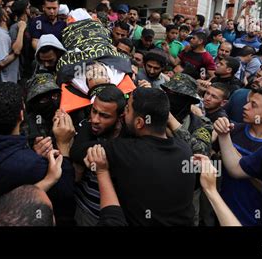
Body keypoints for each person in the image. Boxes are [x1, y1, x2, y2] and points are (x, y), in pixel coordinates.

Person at [70, 87, 196, 226]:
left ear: (139, 123)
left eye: (128, 109)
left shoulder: (125, 150)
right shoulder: (185, 149)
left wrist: (90, 123)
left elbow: (77, 151)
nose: (124, 113)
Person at [0, 82, 75, 222]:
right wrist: (64, 144)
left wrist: (30, 153)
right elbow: (65, 193)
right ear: (21, 113)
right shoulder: (30, 165)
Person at [215, 88, 262, 226]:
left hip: (254, 217)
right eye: (248, 102)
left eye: (253, 105)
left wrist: (246, 167)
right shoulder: (233, 130)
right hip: (223, 208)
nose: (245, 106)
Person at [71, 85, 126, 226]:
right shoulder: (87, 127)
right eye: (94, 111)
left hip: (114, 217)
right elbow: (76, 152)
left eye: (104, 116)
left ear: (120, 117)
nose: (95, 119)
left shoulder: (129, 137)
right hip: (83, 210)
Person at [0, 8, 24, 83]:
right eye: (7, 13)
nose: (9, 15)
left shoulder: (3, 33)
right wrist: (16, 53)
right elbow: (1, 62)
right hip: (6, 80)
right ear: (3, 17)